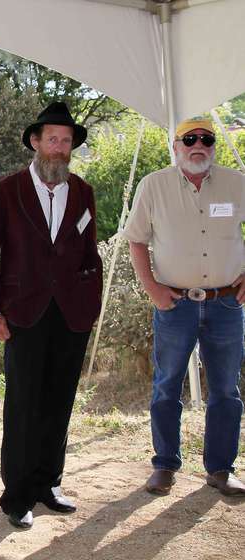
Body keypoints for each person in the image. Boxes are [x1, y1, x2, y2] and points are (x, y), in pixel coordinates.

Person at [0, 102, 102, 529]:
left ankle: (49, 484)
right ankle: (18, 496)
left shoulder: (82, 192)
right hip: (22, 313)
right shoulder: (6, 191)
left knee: (59, 401)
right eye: (53, 139)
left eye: (66, 141)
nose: (59, 148)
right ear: (35, 142)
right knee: (24, 404)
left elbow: (90, 256)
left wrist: (91, 305)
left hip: (71, 315)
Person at [123, 116, 245, 497]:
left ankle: (222, 469)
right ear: (175, 147)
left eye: (206, 140)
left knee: (226, 389)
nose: (198, 145)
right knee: (166, 384)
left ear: (214, 147)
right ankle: (164, 465)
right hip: (174, 303)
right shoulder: (153, 185)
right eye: (189, 139)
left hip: (227, 304)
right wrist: (153, 289)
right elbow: (136, 242)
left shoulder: (237, 183)